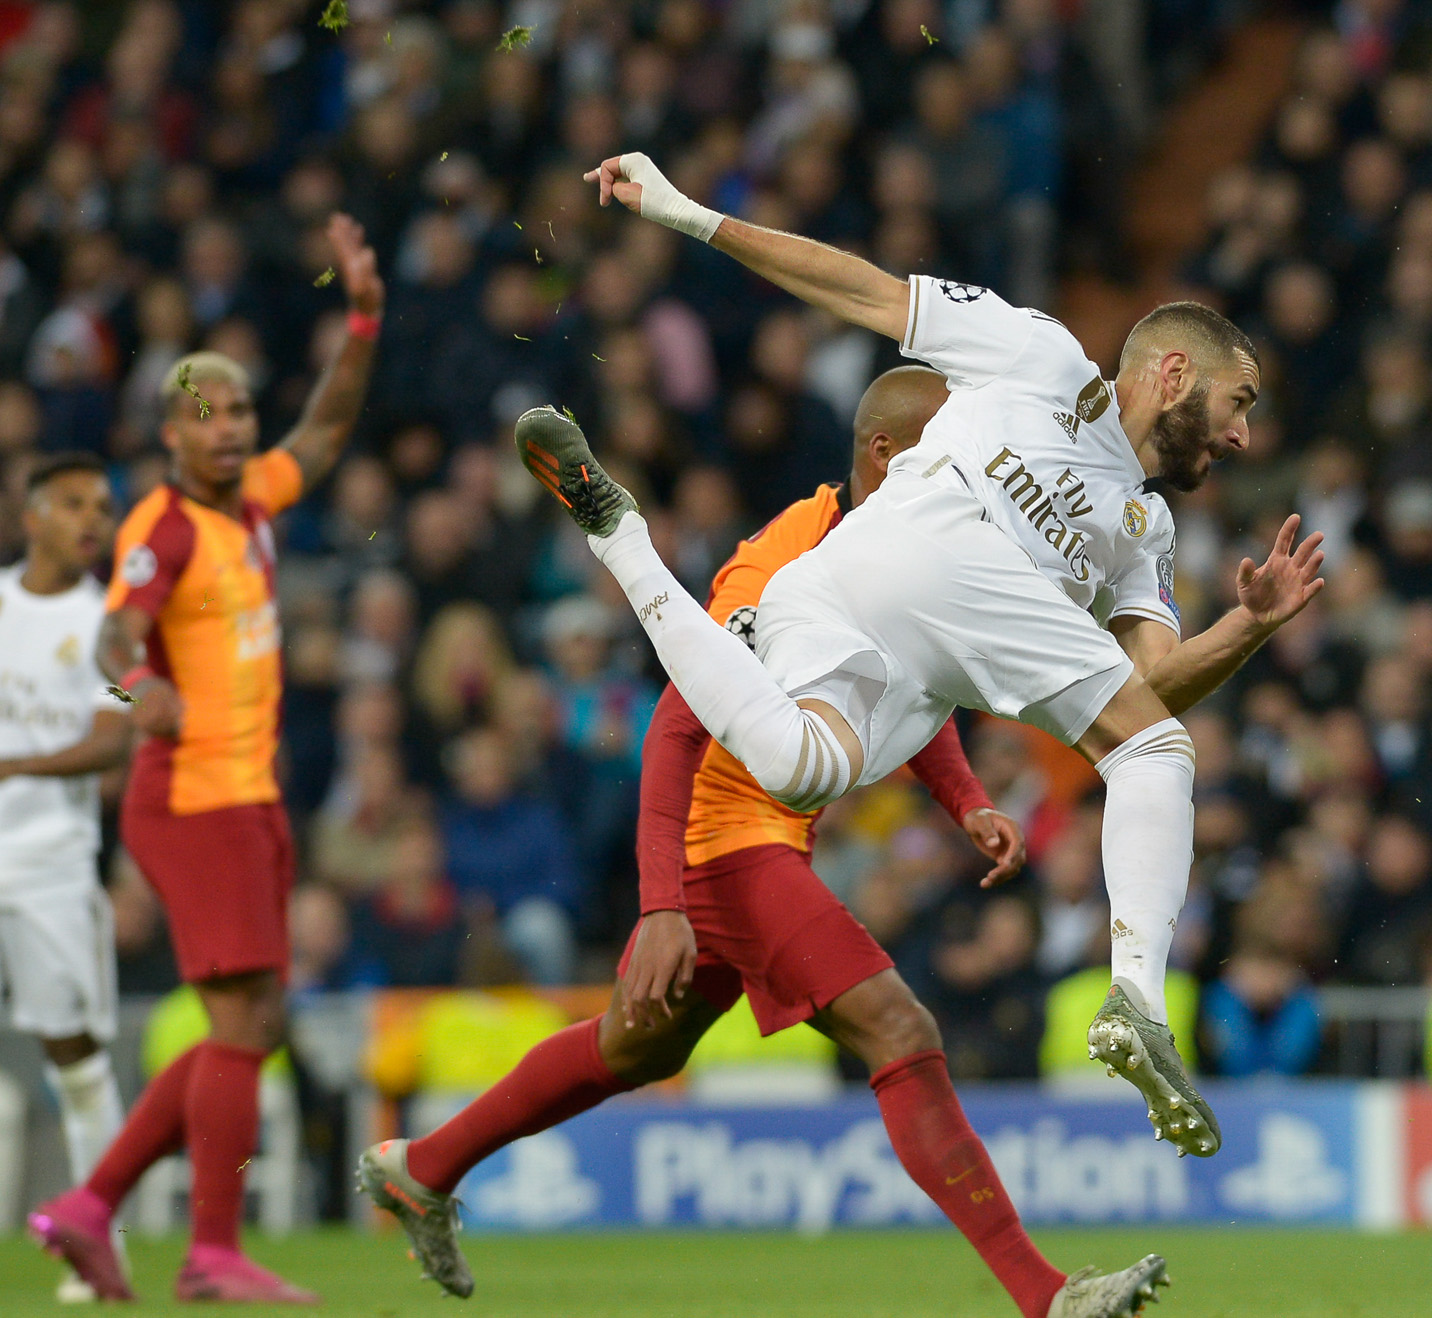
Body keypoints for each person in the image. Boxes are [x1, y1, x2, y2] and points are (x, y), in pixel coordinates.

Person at [520, 150, 1327, 1158]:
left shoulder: (1146, 533)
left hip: (848, 601)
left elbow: (1150, 681)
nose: (1245, 434)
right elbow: (860, 287)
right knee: (1157, 755)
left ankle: (623, 540)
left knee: (799, 769)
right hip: (937, 548)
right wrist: (684, 212)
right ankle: (1138, 1001)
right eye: (1239, 401)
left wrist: (1247, 625)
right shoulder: (1041, 356)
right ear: (1173, 373)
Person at [363, 367, 1169, 1318]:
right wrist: (662, 902)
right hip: (727, 841)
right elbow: (677, 720)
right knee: (900, 1032)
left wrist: (962, 801)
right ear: (885, 454)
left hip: (772, 835)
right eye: (948, 452)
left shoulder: (911, 546)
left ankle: (422, 1166)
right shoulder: (783, 558)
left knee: (634, 1052)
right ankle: (1047, 1298)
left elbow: (923, 683)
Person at [31, 214, 385, 1305]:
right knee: (244, 1025)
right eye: (206, 415)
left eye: (237, 410)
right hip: (190, 796)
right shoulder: (166, 527)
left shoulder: (257, 501)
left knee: (255, 1026)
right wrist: (141, 691)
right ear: (171, 434)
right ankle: (210, 1250)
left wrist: (365, 318)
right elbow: (114, 634)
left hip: (246, 793)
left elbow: (323, 432)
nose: (229, 429)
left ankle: (88, 1209)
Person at [0, 455, 132, 1303]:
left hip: (50, 864)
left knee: (75, 1057)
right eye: (77, 504)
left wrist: (17, 765)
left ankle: (98, 1241)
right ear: (34, 514)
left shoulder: (112, 625)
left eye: (105, 507)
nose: (94, 519)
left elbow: (113, 740)